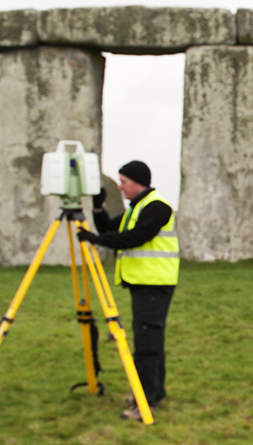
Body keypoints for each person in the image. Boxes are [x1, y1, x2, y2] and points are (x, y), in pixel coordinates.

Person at [78, 160, 179, 421]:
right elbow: (109, 228)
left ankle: (143, 401)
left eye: (124, 182)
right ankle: (154, 392)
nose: (121, 187)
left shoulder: (157, 207)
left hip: (154, 284)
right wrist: (98, 207)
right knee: (151, 341)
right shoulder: (137, 208)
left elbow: (136, 237)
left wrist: (95, 241)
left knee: (146, 344)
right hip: (144, 284)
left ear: (138, 182)